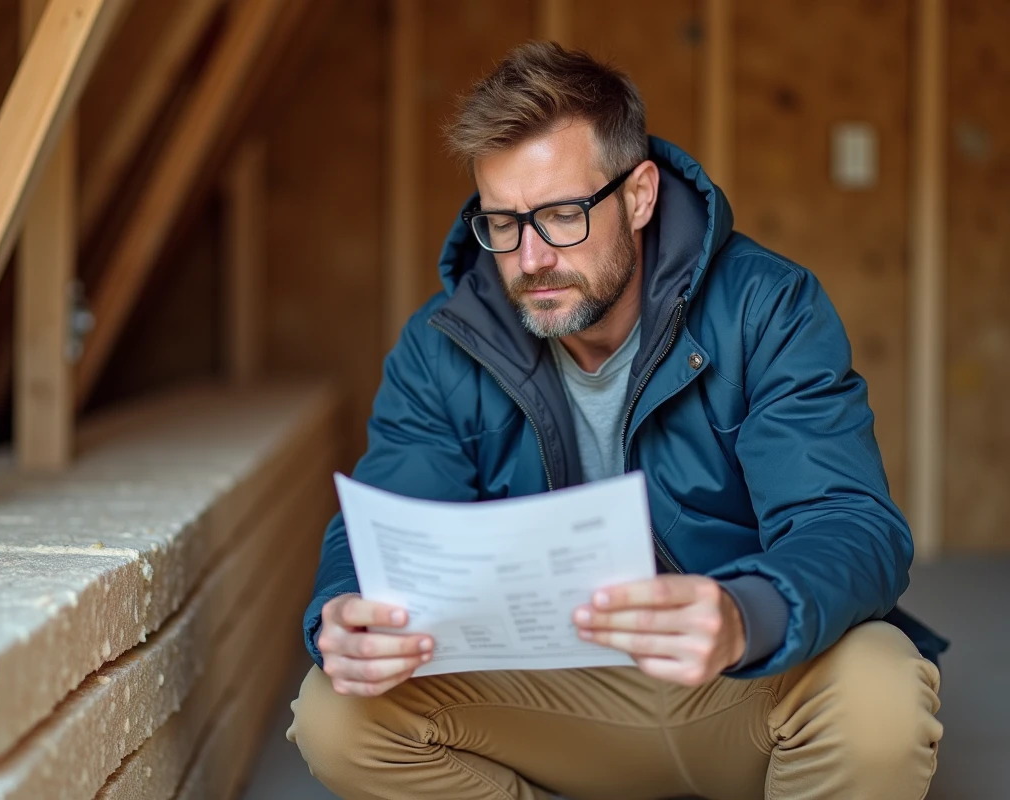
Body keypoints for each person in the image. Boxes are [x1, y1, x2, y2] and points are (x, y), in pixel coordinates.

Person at [287, 42, 947, 799]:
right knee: (337, 715)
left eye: (561, 216)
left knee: (879, 694)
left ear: (638, 196)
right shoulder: (442, 347)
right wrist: (345, 616)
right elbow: (385, 527)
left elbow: (850, 523)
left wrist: (743, 615)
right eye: (502, 223)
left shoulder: (768, 308)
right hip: (552, 694)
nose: (530, 258)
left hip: (741, 677)